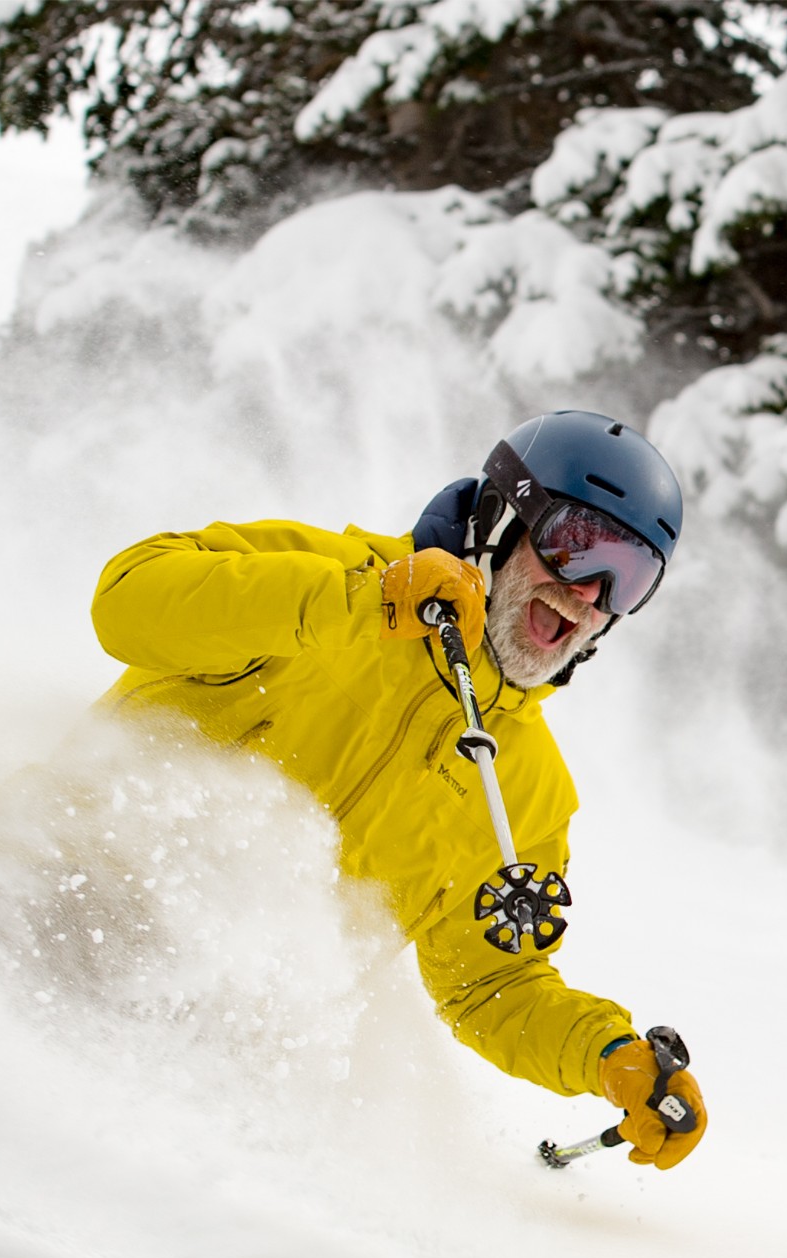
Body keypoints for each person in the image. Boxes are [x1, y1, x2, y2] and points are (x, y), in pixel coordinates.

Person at [88, 411, 709, 1170]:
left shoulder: (527, 791)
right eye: (576, 548)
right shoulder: (333, 579)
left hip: (194, 1059)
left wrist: (606, 1054)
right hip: (53, 911)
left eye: (628, 577)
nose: (589, 594)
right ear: (502, 518)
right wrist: (357, 602)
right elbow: (127, 602)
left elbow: (491, 984)